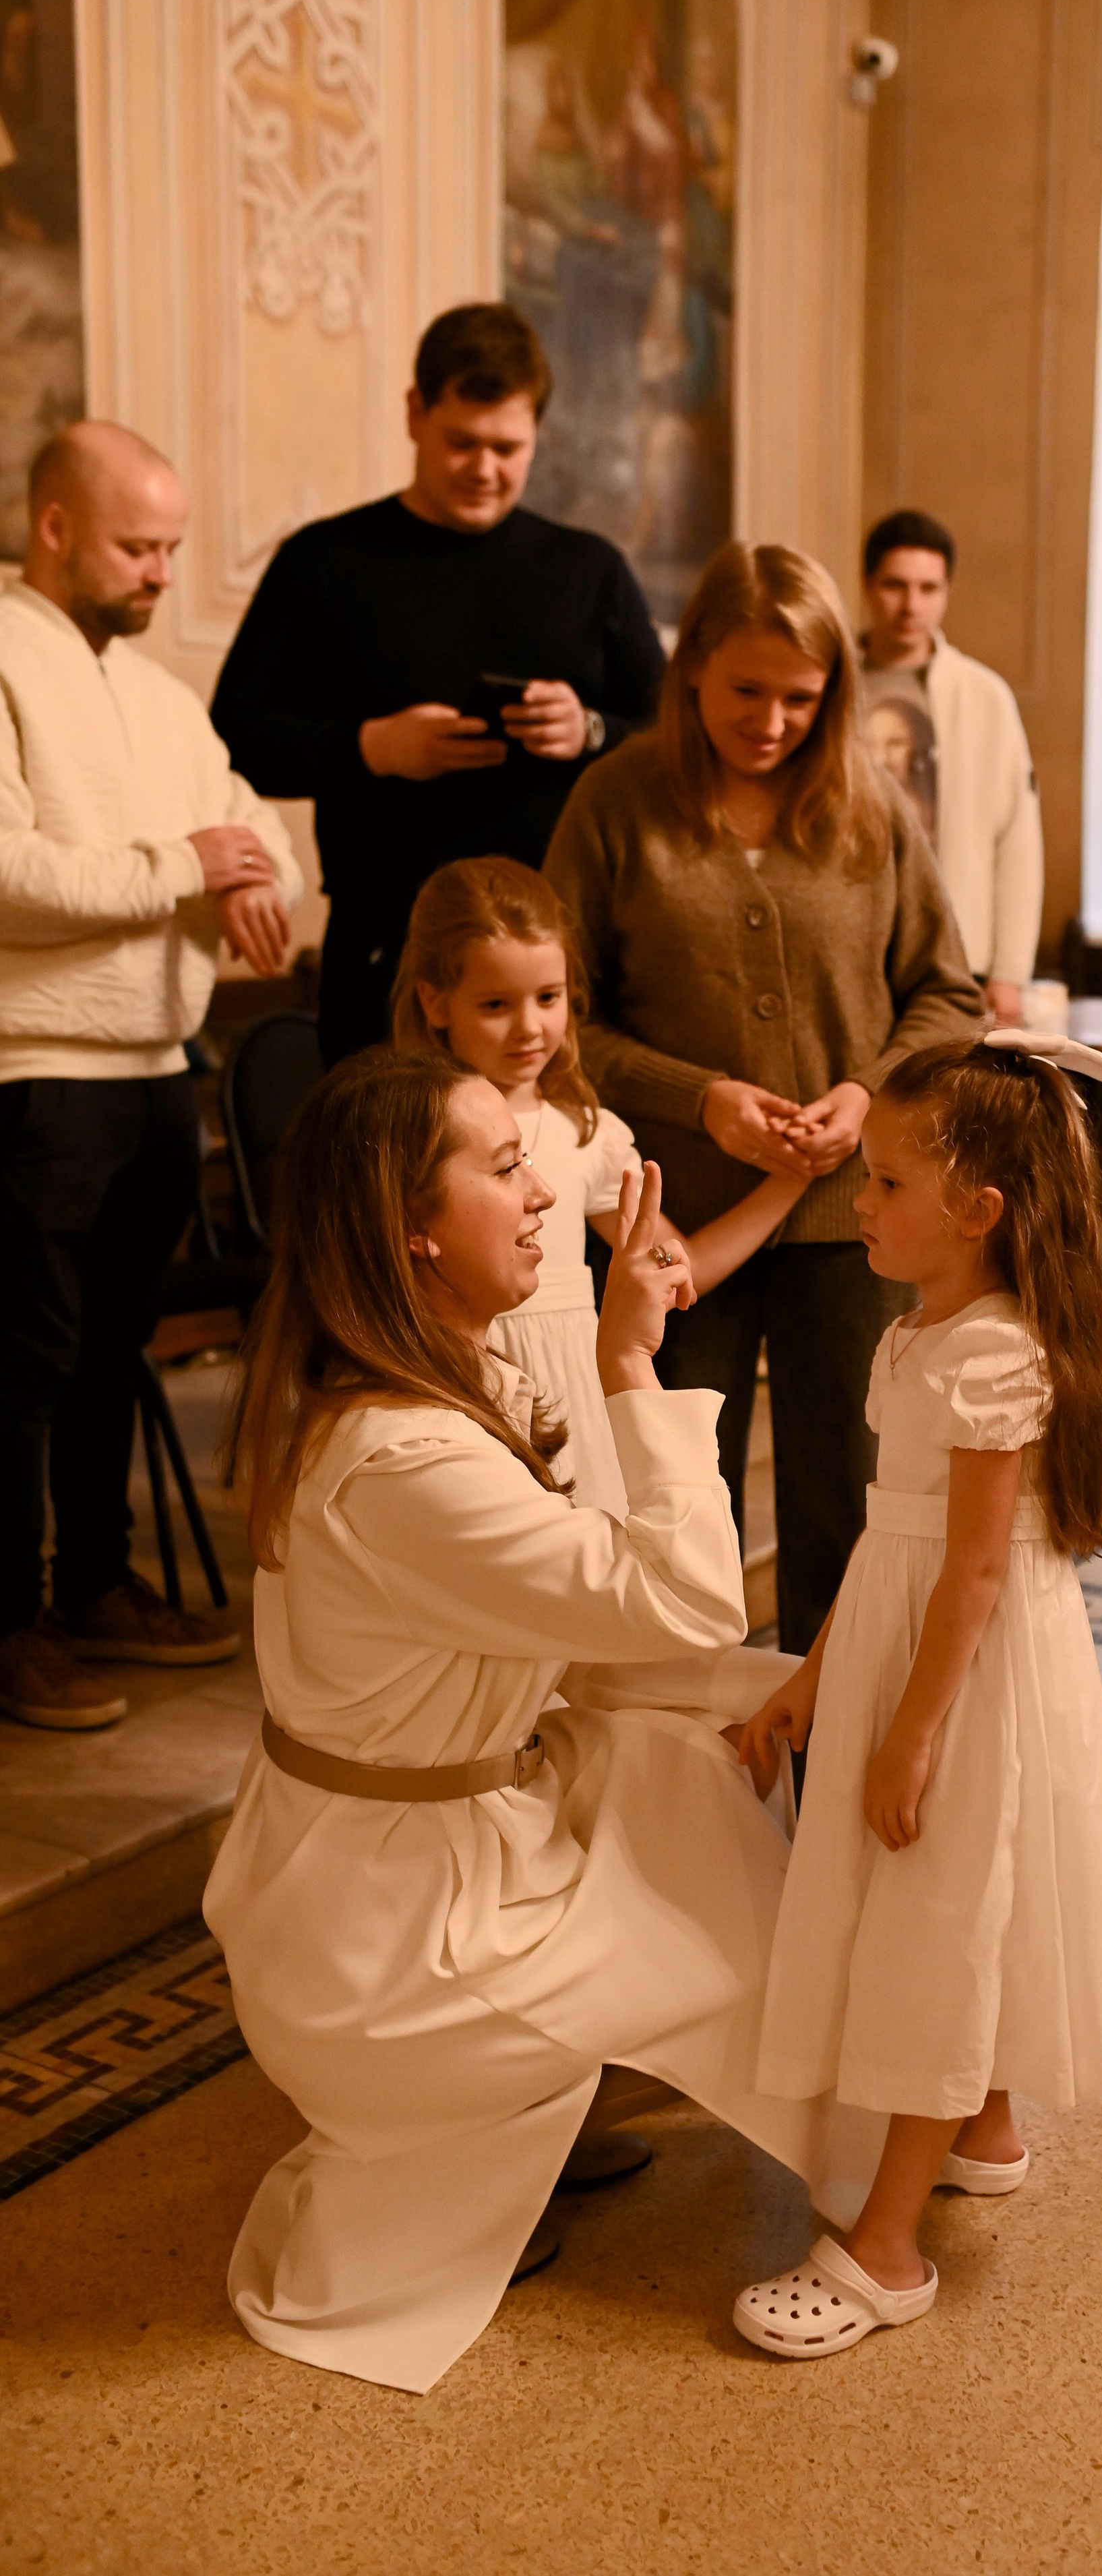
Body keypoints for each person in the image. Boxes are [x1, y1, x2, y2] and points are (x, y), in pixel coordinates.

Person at [204, 1046, 886, 2394]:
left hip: (386, 1849)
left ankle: (557, 2118)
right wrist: (631, 1355)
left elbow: (612, 1617)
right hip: (392, 1934)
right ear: (410, 1227)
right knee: (724, 1900)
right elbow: (681, 1593)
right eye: (503, 1164)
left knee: (705, 1750)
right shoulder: (403, 1457)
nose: (540, 1192)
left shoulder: (404, 1376)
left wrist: (762, 1694)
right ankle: (871, 2156)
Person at [727, 1031, 1102, 2354]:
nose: (859, 1201)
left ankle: (885, 2248)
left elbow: (970, 1573)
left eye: (886, 1181)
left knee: (936, 1913)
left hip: (963, 1674)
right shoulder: (917, 1333)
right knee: (979, 1882)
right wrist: (813, 1675)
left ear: (979, 1213)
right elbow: (887, 1533)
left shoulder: (993, 1356)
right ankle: (987, 2121)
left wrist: (909, 1733)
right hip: (913, 1643)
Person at [543, 541, 983, 1652]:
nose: (775, 720)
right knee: (679, 1488)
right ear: (691, 667)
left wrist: (863, 1091)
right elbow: (554, 1020)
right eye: (748, 690)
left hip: (856, 1217)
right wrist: (703, 1101)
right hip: (669, 1218)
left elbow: (949, 994)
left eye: (804, 695)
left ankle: (828, 1750)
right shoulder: (615, 802)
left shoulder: (869, 805)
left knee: (855, 1491)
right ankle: (692, 1763)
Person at [0, 420, 301, 1733]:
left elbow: (265, 838)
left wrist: (252, 877)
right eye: (139, 545)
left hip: (155, 1065)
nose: (163, 573)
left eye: (174, 547)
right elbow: (13, 878)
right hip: (34, 1071)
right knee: (21, 1368)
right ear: (54, 527)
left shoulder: (164, 697)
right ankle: (8, 1624)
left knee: (113, 1353)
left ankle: (98, 1584)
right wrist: (189, 868)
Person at [210, 302, 667, 1065]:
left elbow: (670, 735)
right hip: (385, 948)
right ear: (416, 413)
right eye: (461, 441)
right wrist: (372, 747)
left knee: (554, 1176)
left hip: (554, 957)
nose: (484, 469)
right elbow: (234, 734)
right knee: (385, 1178)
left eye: (507, 448)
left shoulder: (590, 570)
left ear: (537, 437)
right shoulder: (325, 561)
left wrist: (589, 731)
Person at [394, 853, 811, 1515]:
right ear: (434, 1001)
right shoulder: (407, 1129)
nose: (531, 1028)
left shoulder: (588, 1133)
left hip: (572, 1392)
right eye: (497, 1005)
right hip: (453, 1383)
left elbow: (681, 1269)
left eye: (548, 999)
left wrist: (791, 1182)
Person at [859, 509, 1044, 1025]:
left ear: (947, 591)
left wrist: (1010, 971)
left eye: (928, 588)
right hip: (851, 941)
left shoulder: (984, 696)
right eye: (896, 585)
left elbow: (1017, 836)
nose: (911, 605)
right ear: (868, 584)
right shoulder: (830, 685)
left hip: (956, 947)